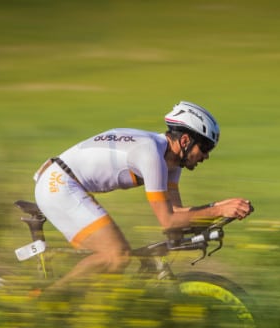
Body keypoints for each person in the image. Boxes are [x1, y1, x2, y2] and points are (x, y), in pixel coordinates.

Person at [33, 101, 254, 292]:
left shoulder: (171, 163)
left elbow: (176, 218)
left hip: (66, 182)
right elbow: (168, 220)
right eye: (205, 147)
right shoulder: (151, 155)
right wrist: (217, 209)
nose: (206, 156)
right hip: (58, 184)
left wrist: (220, 209)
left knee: (112, 274)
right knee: (116, 255)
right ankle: (47, 303)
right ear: (185, 141)